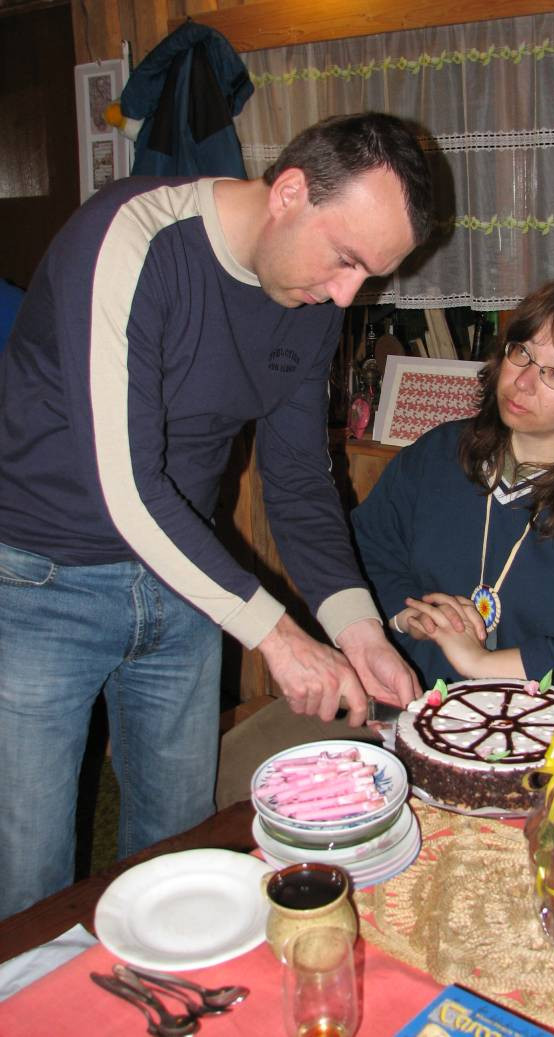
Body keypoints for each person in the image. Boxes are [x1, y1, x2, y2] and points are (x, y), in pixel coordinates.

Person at [0, 111, 432, 920]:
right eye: (346, 259)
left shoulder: (311, 291)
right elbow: (125, 487)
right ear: (290, 192)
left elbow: (298, 477)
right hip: (40, 584)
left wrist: (358, 630)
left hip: (186, 580)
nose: (346, 294)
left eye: (369, 276)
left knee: (180, 852)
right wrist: (277, 635)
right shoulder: (129, 241)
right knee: (29, 881)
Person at [352, 278, 554, 700]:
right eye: (522, 353)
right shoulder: (438, 453)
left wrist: (481, 665)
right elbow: (364, 547)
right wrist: (406, 614)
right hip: (412, 701)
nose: (523, 382)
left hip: (539, 721)